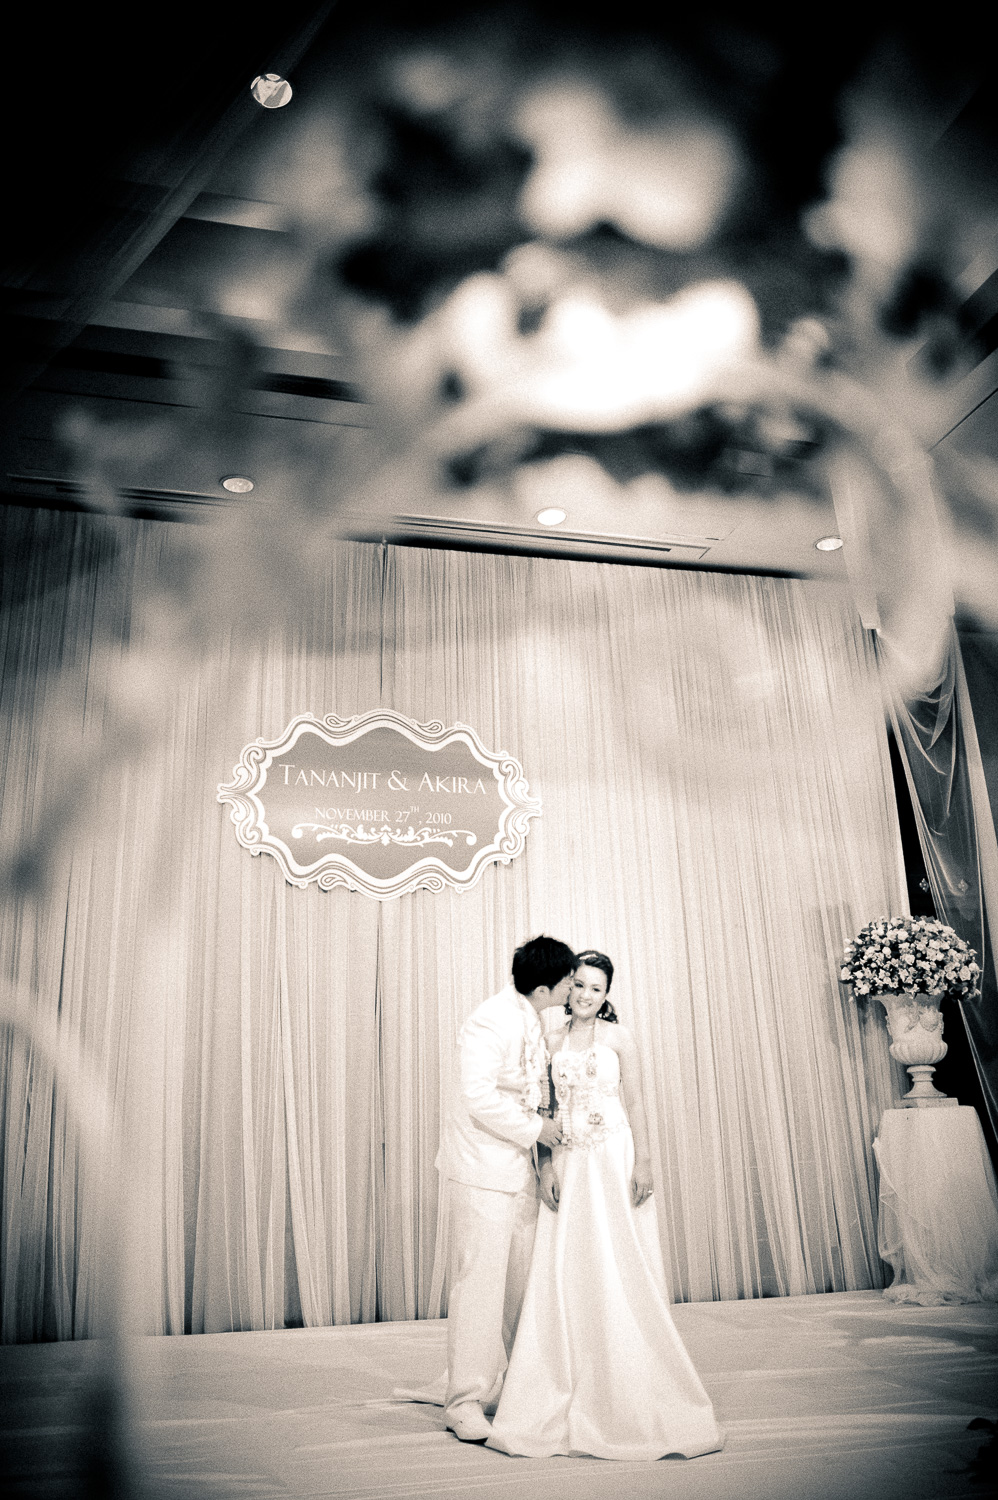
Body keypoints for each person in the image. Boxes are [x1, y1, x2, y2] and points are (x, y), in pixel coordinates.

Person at [486, 950, 724, 1461]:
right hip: (569, 1162)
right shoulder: (548, 1040)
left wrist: (645, 1162)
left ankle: (630, 1374)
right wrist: (544, 1168)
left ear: (606, 994)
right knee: (568, 1265)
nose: (586, 996)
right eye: (579, 985)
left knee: (620, 1260)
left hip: (614, 1157)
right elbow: (542, 1110)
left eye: (597, 988)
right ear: (567, 987)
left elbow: (635, 1102)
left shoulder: (620, 1038)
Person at [434, 934, 577, 1442]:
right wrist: (537, 1129)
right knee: (480, 1289)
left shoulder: (530, 1017)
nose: (572, 988)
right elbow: (476, 1095)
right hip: (481, 1173)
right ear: (544, 988)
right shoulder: (490, 1020)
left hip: (517, 1172)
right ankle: (463, 1401)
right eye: (568, 981)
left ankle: (519, 1386)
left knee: (520, 1288)